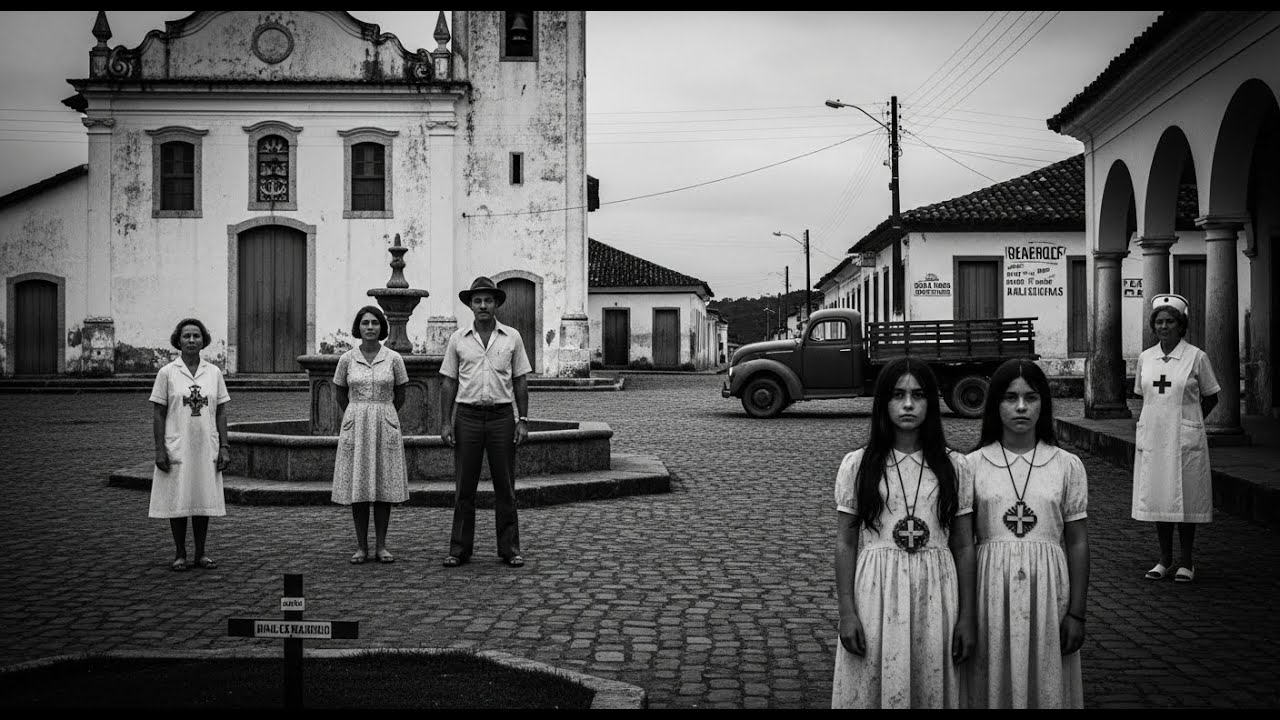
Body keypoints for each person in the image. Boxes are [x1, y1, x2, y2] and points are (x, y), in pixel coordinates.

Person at [832, 356, 976, 709]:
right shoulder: (858, 465)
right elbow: (846, 542)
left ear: (932, 402)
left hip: (937, 592)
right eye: (898, 395)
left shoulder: (955, 466)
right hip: (876, 591)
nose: (908, 404)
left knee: (930, 683)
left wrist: (967, 616)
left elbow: (963, 544)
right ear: (883, 402)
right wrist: (847, 612)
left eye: (918, 395)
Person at [966, 358, 1089, 708]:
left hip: (1048, 589)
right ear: (995, 404)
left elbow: (1077, 542)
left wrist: (1077, 613)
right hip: (990, 589)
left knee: (1045, 678)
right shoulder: (971, 466)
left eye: (1031, 397)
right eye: (1010, 397)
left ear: (1043, 404)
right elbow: (961, 544)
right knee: (992, 678)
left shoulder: (1066, 465)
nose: (1021, 407)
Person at [440, 276, 532, 568]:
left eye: (488, 300)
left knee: (505, 486)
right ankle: (459, 549)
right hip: (467, 416)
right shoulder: (458, 339)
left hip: (501, 417)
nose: (483, 305)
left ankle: (510, 549)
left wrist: (522, 420)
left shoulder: (512, 337)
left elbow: (520, 380)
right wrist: (446, 422)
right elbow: (448, 382)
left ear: (496, 304)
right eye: (477, 300)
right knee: (464, 487)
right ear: (470, 305)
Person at [1132, 293, 1220, 584]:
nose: (1164, 326)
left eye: (1170, 321)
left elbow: (1211, 396)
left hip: (1183, 438)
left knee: (1186, 497)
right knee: (1159, 495)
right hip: (1155, 436)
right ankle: (1164, 559)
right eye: (1159, 321)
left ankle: (1187, 561)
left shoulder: (1196, 357)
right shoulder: (1145, 358)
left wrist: (1190, 421)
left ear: (1181, 325)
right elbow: (1144, 394)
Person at [150, 318, 230, 571]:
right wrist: (160, 449)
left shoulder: (214, 373)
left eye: (196, 336)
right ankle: (180, 552)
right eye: (187, 336)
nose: (192, 340)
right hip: (178, 443)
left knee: (201, 497)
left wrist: (224, 446)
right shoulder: (167, 373)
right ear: (178, 341)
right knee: (179, 498)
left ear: (203, 340)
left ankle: (201, 552)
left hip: (205, 445)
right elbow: (158, 413)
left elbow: (221, 411)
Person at [332, 305, 410, 564]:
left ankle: (382, 545)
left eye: (375, 323)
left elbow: (401, 392)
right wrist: (357, 412)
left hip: (384, 420)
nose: (370, 327)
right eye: (365, 323)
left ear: (381, 327)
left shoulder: (393, 358)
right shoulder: (347, 359)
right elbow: (340, 392)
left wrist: (383, 412)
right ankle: (361, 546)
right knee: (359, 485)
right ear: (358, 327)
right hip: (357, 422)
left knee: (383, 485)